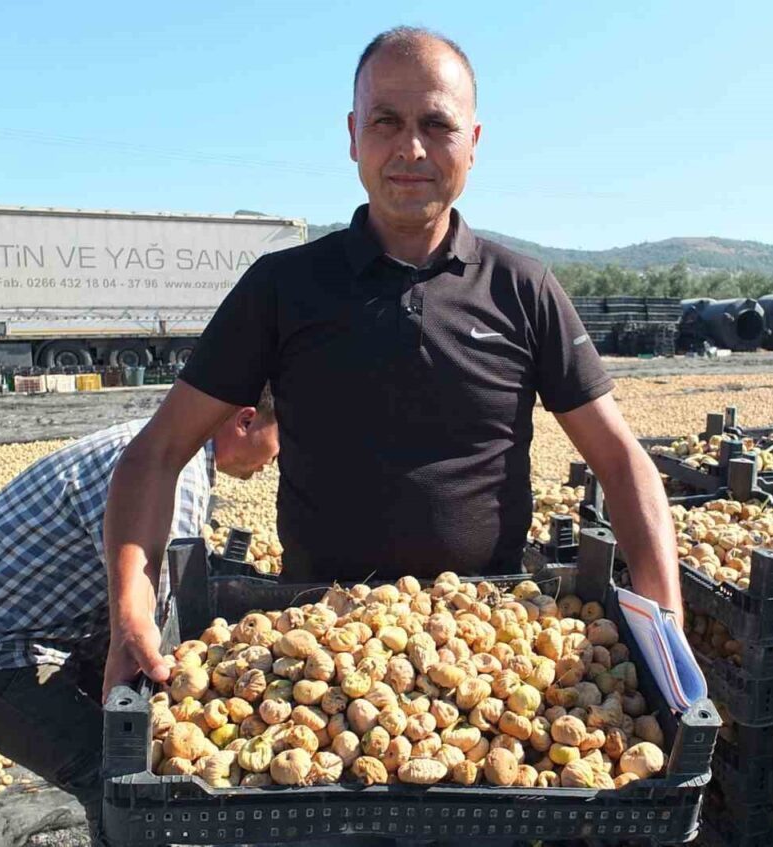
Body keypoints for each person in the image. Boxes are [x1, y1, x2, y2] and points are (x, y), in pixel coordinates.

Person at [104, 25, 682, 705]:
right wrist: (130, 614)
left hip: (490, 657)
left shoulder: (523, 289)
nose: (411, 148)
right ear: (354, 136)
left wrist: (665, 626)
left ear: (473, 142)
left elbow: (620, 459)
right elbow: (156, 454)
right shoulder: (282, 288)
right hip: (318, 660)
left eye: (437, 124)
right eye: (386, 122)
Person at [0, 392, 278, 840]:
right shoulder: (170, 475)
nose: (276, 460)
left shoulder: (161, 446)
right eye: (282, 440)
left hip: (8, 626)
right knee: (112, 775)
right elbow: (156, 623)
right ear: (245, 421)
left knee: (127, 742)